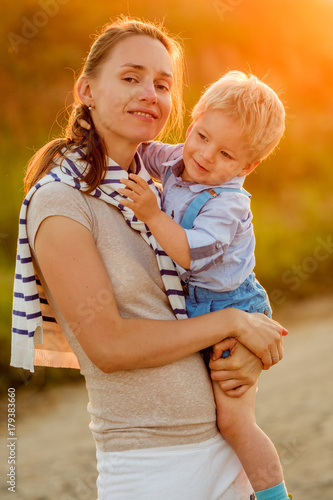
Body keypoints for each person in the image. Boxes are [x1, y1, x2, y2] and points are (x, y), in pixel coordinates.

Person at [11, 18, 287, 500]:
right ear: (88, 89)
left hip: (222, 453)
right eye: (130, 76)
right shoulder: (61, 201)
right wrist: (234, 324)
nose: (149, 93)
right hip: (153, 467)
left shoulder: (160, 188)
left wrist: (243, 348)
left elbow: (213, 283)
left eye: (162, 84)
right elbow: (110, 346)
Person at [117, 71, 292, 500]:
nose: (206, 156)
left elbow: (190, 253)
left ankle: (274, 495)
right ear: (193, 123)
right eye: (202, 136)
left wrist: (152, 213)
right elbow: (140, 151)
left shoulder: (228, 205)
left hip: (233, 306)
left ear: (247, 167)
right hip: (196, 303)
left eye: (227, 154)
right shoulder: (181, 157)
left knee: (234, 421)